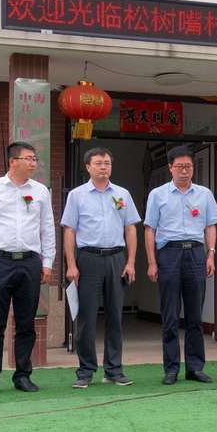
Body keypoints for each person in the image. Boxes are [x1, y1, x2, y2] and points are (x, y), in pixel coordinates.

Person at [0, 142, 55, 396]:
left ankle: (22, 375)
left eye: (35, 158)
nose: (34, 163)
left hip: (30, 262)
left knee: (26, 323)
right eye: (29, 158)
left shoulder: (41, 191)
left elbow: (47, 228)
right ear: (13, 161)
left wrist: (47, 261)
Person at [62, 147, 141, 389]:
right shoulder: (77, 195)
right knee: (86, 316)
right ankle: (85, 371)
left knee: (115, 316)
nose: (104, 167)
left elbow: (130, 228)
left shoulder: (122, 194)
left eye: (107, 162)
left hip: (117, 258)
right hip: (88, 259)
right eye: (98, 163)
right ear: (88, 167)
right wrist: (71, 264)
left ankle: (114, 370)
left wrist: (130, 261)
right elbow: (70, 230)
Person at [145, 146, 217, 384]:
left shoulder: (204, 194)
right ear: (170, 168)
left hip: (196, 253)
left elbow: (211, 226)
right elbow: (150, 229)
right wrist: (151, 261)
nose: (185, 171)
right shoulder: (157, 194)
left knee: (194, 316)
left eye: (188, 166)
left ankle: (195, 367)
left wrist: (210, 254)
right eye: (179, 167)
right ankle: (171, 369)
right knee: (169, 315)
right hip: (168, 254)